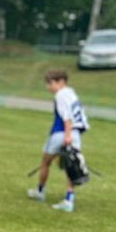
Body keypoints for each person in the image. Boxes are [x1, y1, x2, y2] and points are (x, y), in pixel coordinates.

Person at [27, 68, 89, 213]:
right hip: (75, 133)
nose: (48, 87)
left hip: (61, 133)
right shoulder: (71, 93)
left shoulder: (60, 95)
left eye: (51, 83)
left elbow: (67, 117)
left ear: (61, 82)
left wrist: (67, 136)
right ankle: (69, 199)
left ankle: (40, 191)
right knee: (71, 165)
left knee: (45, 162)